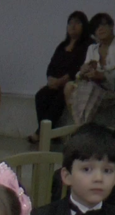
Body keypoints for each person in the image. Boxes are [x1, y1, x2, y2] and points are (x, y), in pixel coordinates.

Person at [30, 12, 91, 143]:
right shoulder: (62, 45)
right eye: (70, 23)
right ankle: (50, 133)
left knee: (59, 98)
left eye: (77, 23)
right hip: (56, 83)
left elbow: (79, 67)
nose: (73, 26)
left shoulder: (87, 45)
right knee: (41, 95)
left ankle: (41, 133)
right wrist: (50, 78)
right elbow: (51, 65)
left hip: (72, 84)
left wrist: (63, 80)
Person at [67, 13, 115, 126]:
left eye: (103, 25)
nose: (100, 29)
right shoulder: (92, 48)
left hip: (114, 89)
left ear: (111, 26)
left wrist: (102, 76)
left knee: (88, 89)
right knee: (71, 86)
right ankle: (83, 127)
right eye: (96, 27)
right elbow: (81, 74)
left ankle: (79, 127)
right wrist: (83, 72)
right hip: (94, 87)